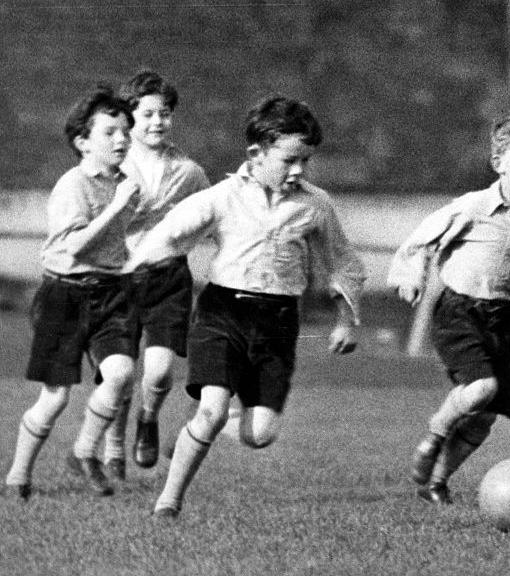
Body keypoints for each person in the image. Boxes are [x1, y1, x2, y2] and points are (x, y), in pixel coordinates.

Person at [126, 96, 366, 518]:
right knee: (214, 410)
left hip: (277, 325)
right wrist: (134, 268)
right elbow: (168, 234)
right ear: (256, 154)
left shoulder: (315, 205)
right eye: (290, 160)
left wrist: (346, 317)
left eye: (305, 162)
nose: (298, 171)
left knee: (259, 435)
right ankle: (170, 500)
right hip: (222, 314)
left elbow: (343, 260)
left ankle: (200, 422)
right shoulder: (223, 197)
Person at [389, 111, 510, 505]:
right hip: (459, 312)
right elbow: (420, 241)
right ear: (499, 163)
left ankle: (436, 481)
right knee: (481, 388)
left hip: (505, 320)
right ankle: (434, 435)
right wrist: (411, 274)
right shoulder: (472, 207)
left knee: (485, 416)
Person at [4, 85, 140, 499]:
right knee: (56, 397)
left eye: (125, 131)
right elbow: (75, 245)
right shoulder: (72, 186)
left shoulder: (125, 184)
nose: (121, 139)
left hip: (112, 292)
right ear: (83, 143)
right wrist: (117, 207)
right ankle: (18, 476)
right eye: (110, 132)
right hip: (64, 295)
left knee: (119, 373)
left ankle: (84, 452)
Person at [100, 71, 211, 480]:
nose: (157, 122)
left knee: (160, 370)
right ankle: (113, 444)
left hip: (168, 279)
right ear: (130, 116)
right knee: (119, 371)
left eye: (164, 114)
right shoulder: (112, 163)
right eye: (146, 114)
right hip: (117, 278)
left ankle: (148, 418)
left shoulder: (189, 171)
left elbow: (214, 215)